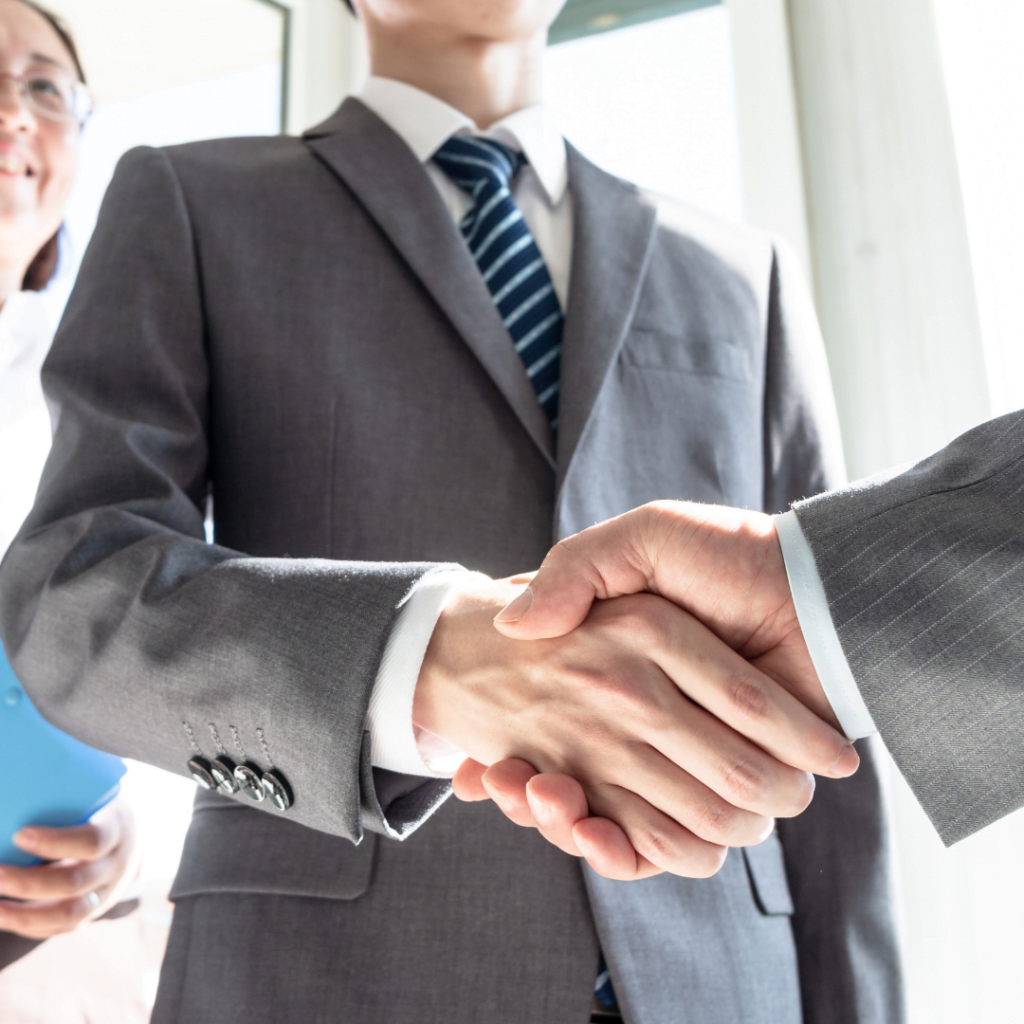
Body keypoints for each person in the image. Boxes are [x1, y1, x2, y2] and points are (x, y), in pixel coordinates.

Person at [0, 0, 901, 1021]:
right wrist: (425, 659)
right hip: (325, 976)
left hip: (725, 979)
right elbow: (76, 588)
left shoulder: (742, 272)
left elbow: (829, 687)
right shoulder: (193, 199)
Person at [474, 408, 1024, 865]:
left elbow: (795, 478)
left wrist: (810, 606)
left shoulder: (747, 273)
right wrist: (421, 643)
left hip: (743, 946)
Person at [0, 0, 137, 969]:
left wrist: (126, 841)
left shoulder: (120, 395)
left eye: (43, 87)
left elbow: (190, 665)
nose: (12, 112)